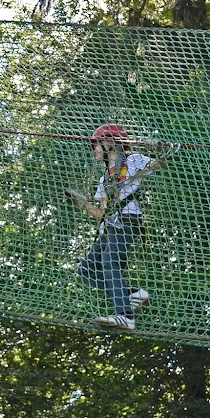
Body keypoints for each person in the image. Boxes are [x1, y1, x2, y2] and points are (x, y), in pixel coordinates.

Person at [65, 124, 164, 330]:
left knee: (110, 262)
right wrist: (83, 203)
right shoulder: (104, 180)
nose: (94, 150)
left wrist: (156, 148)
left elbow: (158, 164)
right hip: (110, 227)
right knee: (86, 270)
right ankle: (131, 294)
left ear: (109, 143)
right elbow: (101, 214)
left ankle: (125, 315)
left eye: (97, 146)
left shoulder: (134, 160)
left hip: (128, 222)